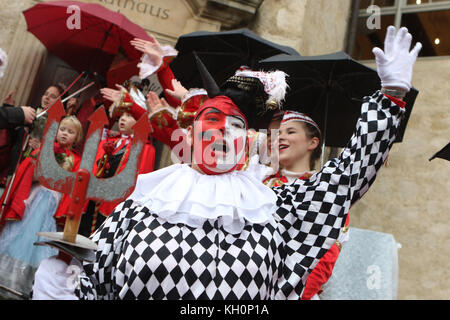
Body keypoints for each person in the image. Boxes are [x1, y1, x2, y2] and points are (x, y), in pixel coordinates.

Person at [32, 26, 421, 300]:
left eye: (235, 126)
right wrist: (64, 276)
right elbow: (93, 278)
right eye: (212, 122)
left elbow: (348, 177)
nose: (222, 134)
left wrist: (390, 97)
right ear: (193, 132)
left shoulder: (272, 204)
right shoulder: (147, 201)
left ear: (248, 139)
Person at [0, 116, 83, 268]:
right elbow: (29, 171)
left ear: (77, 137)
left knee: (42, 228)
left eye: (70, 132)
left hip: (53, 199)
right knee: (25, 228)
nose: (65, 133)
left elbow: (73, 184)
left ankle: (30, 272)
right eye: (62, 129)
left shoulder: (75, 159)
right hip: (37, 194)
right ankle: (9, 266)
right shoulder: (45, 149)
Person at [78, 84, 156, 237]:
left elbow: (139, 181)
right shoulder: (112, 141)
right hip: (95, 200)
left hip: (115, 204)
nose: (122, 119)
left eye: (129, 116)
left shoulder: (146, 149)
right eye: (121, 116)